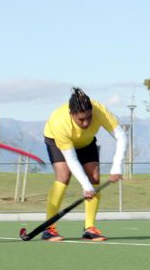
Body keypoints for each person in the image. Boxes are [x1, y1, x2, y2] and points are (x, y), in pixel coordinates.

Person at [40, 87, 127, 242]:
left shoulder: (99, 110)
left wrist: (116, 167)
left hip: (86, 141)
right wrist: (85, 186)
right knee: (63, 176)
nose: (86, 122)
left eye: (89, 117)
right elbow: (72, 159)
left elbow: (121, 136)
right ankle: (49, 228)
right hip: (56, 140)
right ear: (71, 114)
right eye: (81, 119)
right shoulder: (60, 123)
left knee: (94, 176)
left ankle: (89, 228)